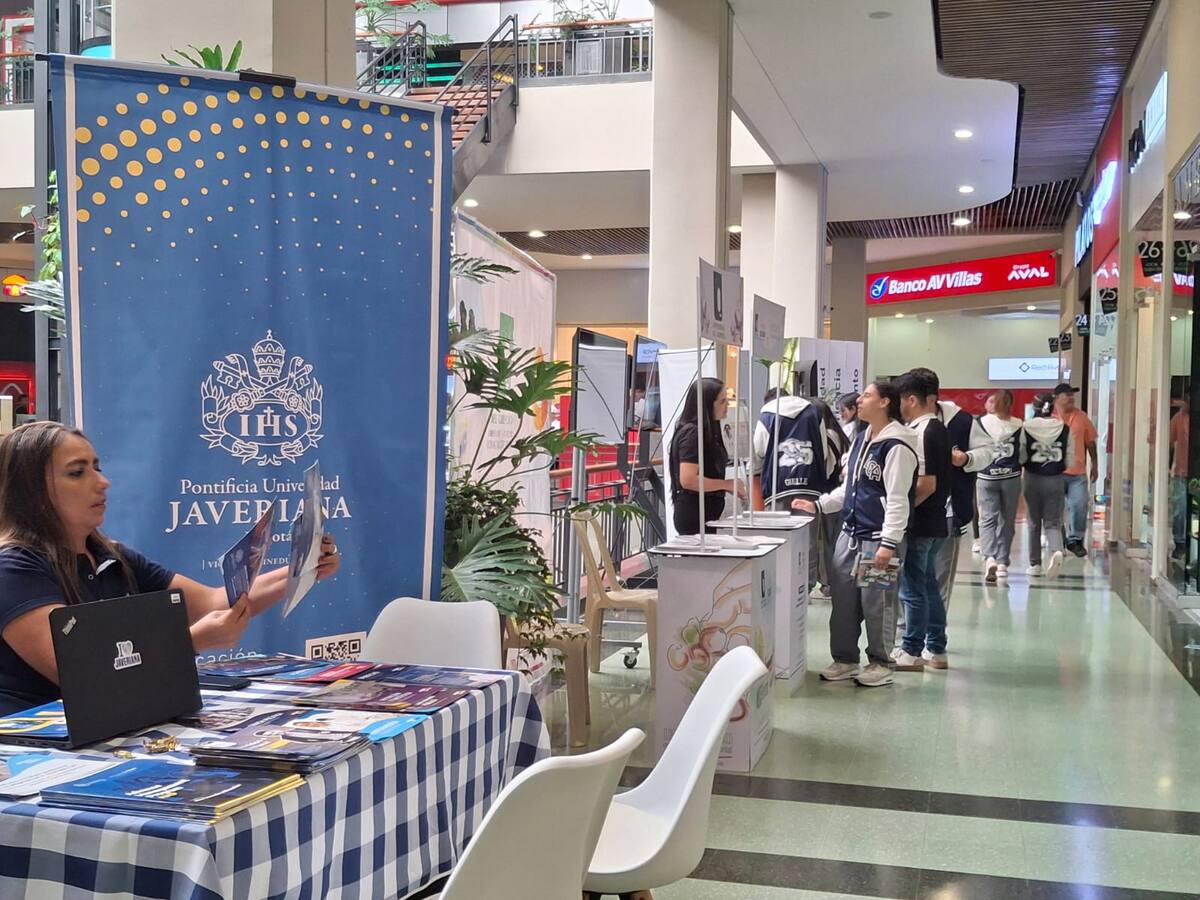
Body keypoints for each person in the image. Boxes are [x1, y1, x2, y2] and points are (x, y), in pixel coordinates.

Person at [0, 421, 342, 715]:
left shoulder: (112, 556)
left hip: (110, 728)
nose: (102, 482)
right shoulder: (14, 567)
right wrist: (191, 641)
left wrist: (301, 568)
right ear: (32, 491)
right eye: (77, 472)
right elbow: (81, 673)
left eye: (97, 467)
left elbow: (213, 603)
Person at [793, 381, 918, 688]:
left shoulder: (897, 445)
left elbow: (898, 498)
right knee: (844, 601)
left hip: (877, 539)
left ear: (885, 402)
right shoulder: (861, 438)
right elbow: (850, 489)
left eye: (867, 395)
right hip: (849, 534)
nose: (859, 400)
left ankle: (880, 661)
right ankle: (845, 659)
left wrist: (889, 543)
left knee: (878, 603)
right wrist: (819, 504)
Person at [753, 387, 847, 600]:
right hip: (810, 487)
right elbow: (822, 451)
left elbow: (758, 450)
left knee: (775, 538)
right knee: (808, 541)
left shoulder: (767, 413)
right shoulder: (813, 411)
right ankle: (804, 588)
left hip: (777, 488)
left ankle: (777, 587)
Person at [894, 370, 952, 671]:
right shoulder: (938, 429)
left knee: (913, 587)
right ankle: (936, 647)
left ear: (912, 399)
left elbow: (926, 483)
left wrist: (902, 510)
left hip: (923, 521)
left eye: (901, 399)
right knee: (928, 585)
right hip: (936, 519)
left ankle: (911, 649)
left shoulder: (922, 432)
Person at [669, 377, 744, 535]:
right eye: (722, 401)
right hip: (695, 514)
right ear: (707, 405)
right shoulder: (693, 433)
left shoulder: (706, 431)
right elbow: (688, 479)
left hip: (704, 513)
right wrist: (726, 484)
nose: (727, 406)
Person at [972, 390, 1023, 583]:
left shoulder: (980, 423)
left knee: (987, 519)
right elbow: (1023, 452)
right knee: (1007, 520)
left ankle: (989, 557)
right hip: (1011, 477)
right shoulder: (1019, 425)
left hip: (986, 475)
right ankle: (1002, 562)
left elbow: (974, 448)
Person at [1022, 392, 1072, 579]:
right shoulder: (1063, 428)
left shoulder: (1026, 427)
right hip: (1056, 478)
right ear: (1053, 407)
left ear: (1035, 408)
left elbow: (1021, 454)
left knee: (1033, 522)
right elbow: (1070, 456)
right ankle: (1057, 549)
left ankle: (1035, 564)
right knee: (1053, 521)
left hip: (1032, 477)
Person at [1052, 383, 1098, 557]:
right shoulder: (1049, 417)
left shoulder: (1081, 417)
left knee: (1079, 504)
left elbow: (1090, 443)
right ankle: (1058, 539)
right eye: (1067, 394)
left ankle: (1075, 540)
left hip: (1077, 473)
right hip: (1054, 473)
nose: (1071, 397)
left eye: (1072, 394)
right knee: (1055, 509)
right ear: (1057, 398)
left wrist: (1095, 463)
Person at [1170, 398, 1189, 556]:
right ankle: (1179, 542)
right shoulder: (1178, 419)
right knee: (1180, 508)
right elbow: (1168, 441)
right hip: (1181, 473)